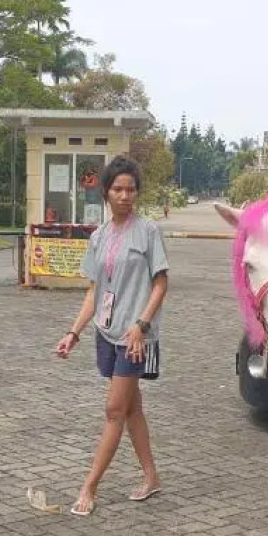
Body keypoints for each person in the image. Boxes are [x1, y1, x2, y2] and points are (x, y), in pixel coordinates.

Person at [55, 156, 169, 516]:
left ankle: (89, 487)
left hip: (135, 338)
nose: (124, 195)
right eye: (118, 189)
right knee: (132, 409)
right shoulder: (100, 236)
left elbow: (161, 282)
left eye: (131, 189)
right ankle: (151, 477)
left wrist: (142, 324)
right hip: (107, 332)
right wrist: (74, 332)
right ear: (105, 192)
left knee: (114, 409)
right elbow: (94, 291)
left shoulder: (148, 231)